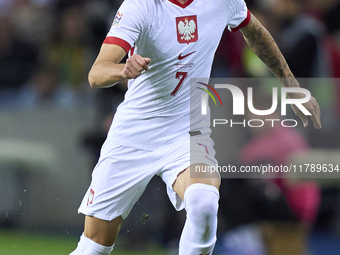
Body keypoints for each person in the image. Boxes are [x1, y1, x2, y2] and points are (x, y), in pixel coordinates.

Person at [70, 0, 322, 254]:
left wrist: (291, 85)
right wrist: (122, 69)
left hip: (187, 130)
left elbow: (256, 33)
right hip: (135, 133)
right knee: (95, 246)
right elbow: (96, 73)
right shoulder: (140, 6)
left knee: (204, 202)